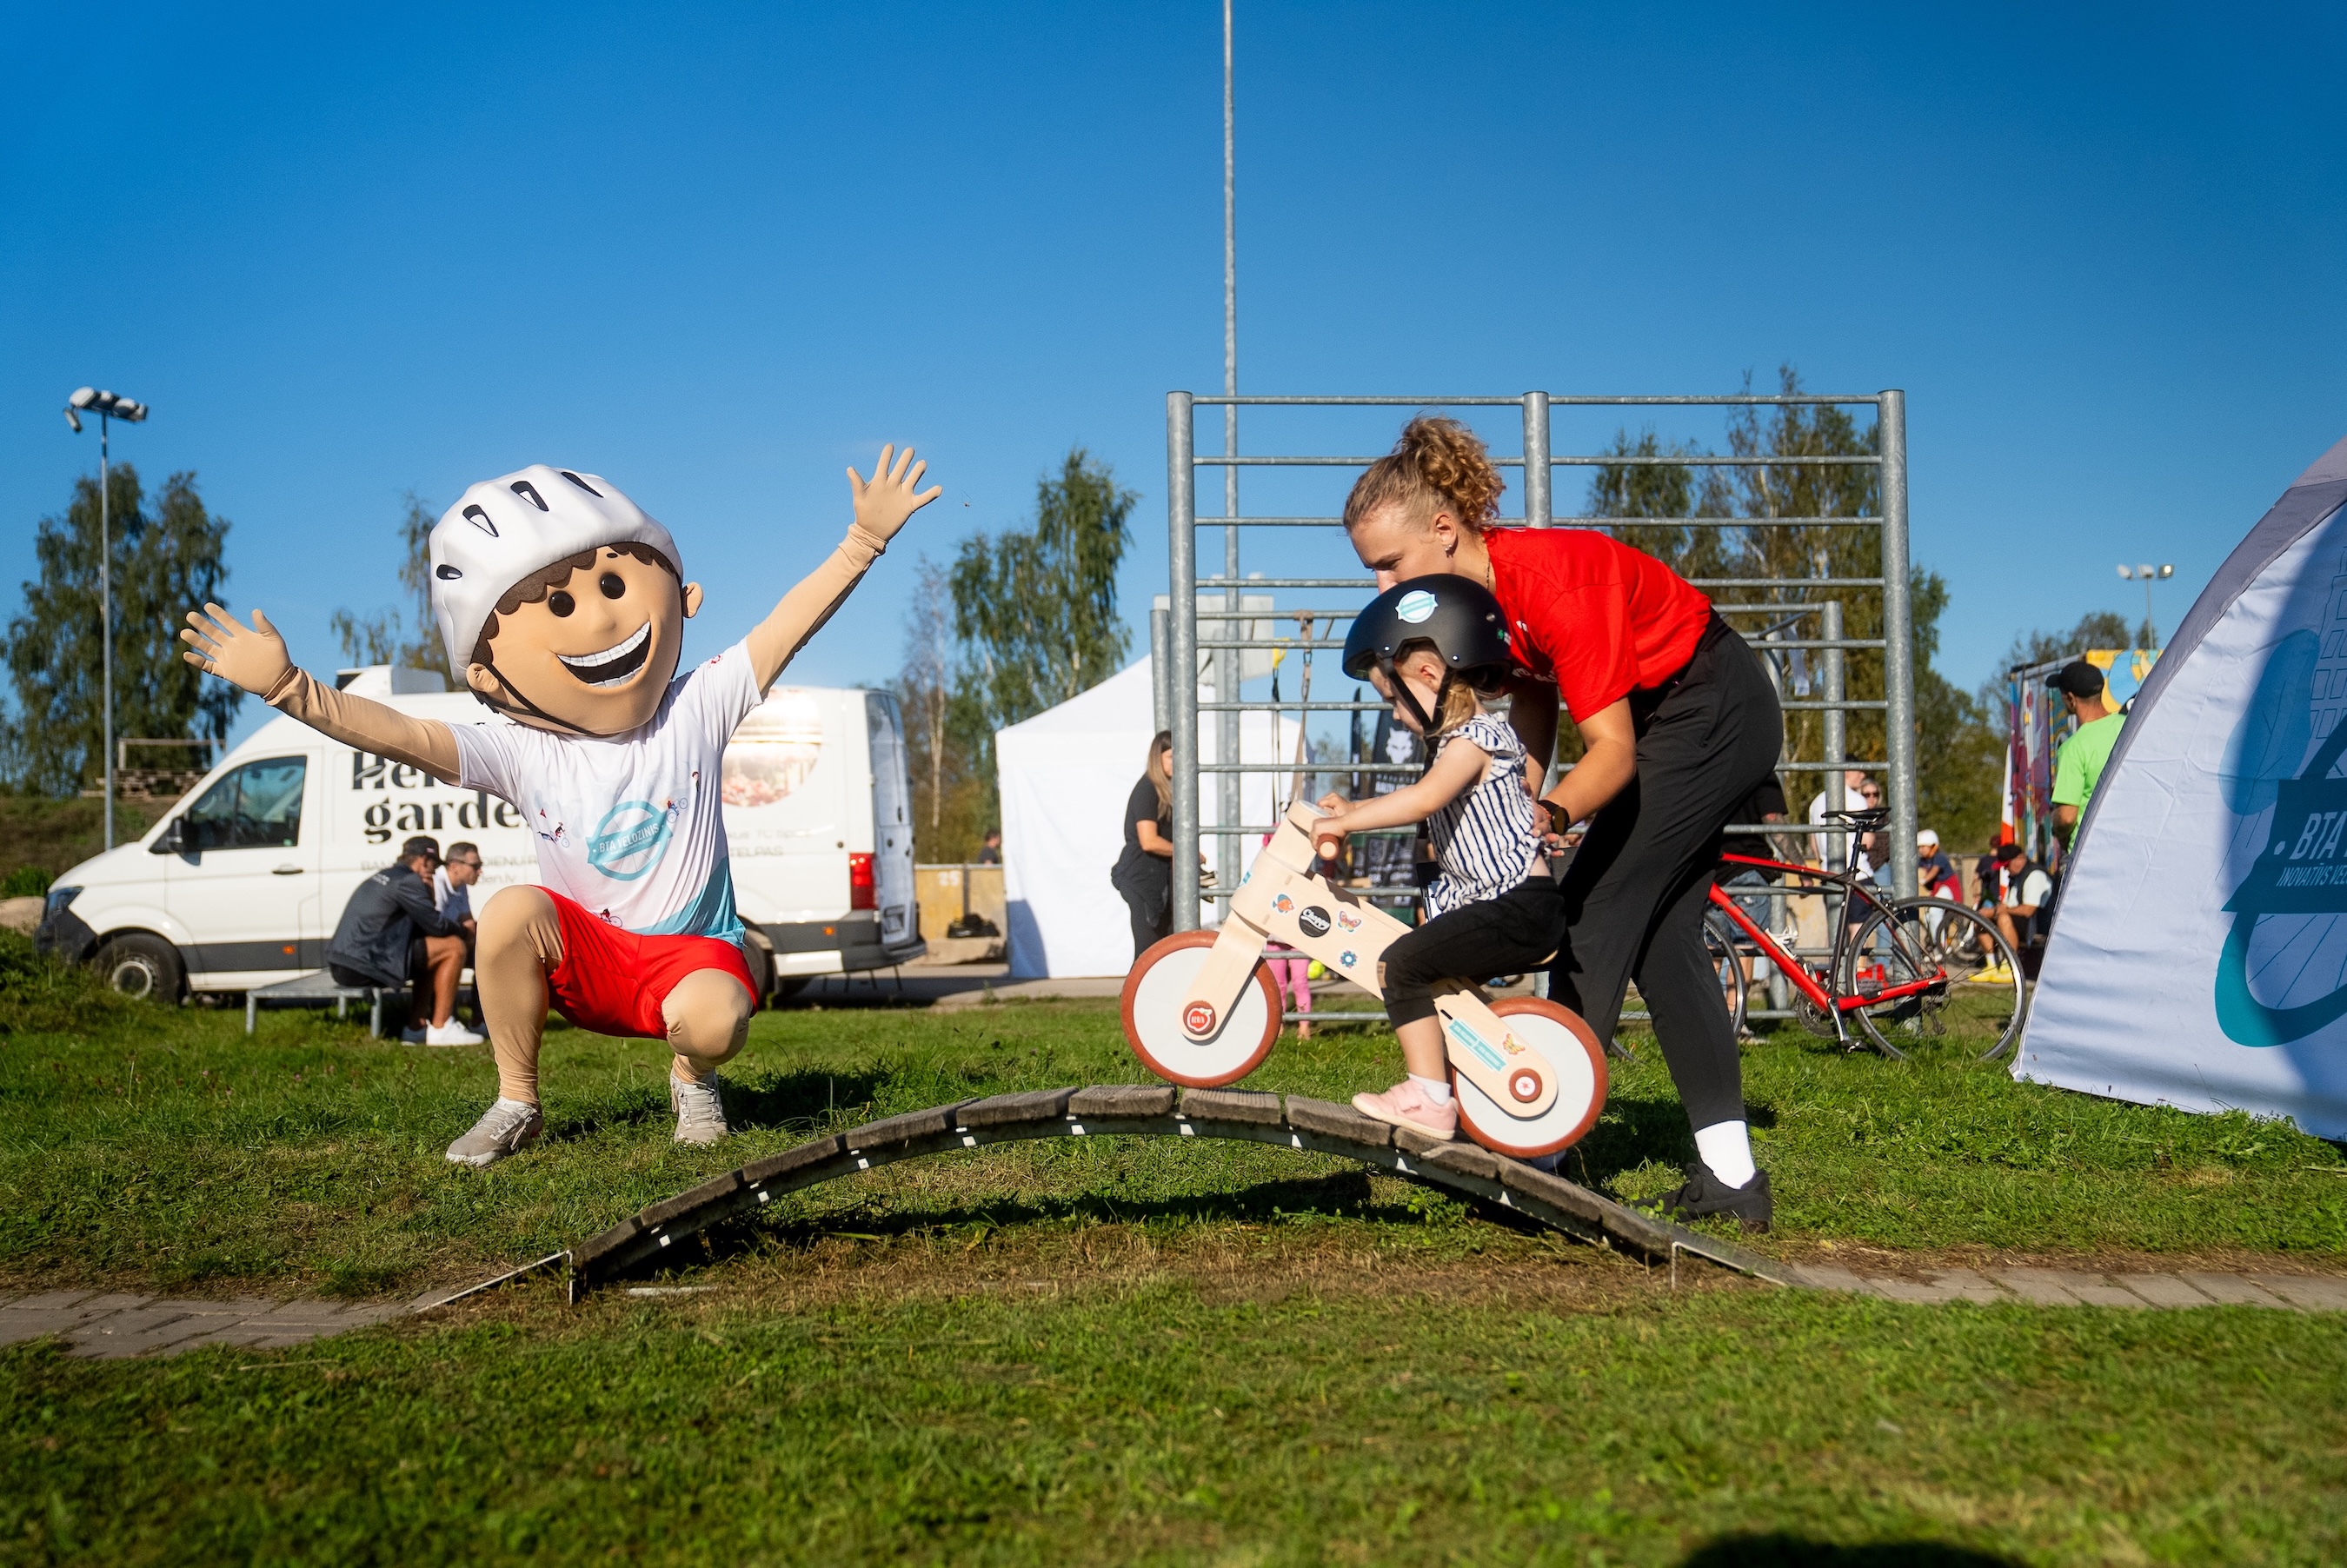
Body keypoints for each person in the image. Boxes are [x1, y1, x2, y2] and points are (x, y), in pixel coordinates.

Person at [183, 446, 941, 1166]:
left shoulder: (697, 706)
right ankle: (517, 1101)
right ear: (485, 677)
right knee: (511, 909)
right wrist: (293, 691)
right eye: (558, 604)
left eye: (615, 586)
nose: (600, 620)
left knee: (715, 1020)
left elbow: (786, 628)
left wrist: (861, 541)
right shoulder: (522, 751)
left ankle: (693, 1079)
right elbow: (405, 734)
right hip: (589, 957)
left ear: (685, 598)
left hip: (689, 953)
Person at [1340, 416, 1782, 1229]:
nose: (1383, 590)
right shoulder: (1488, 601)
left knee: (1596, 912)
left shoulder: (1552, 582)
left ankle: (1537, 1155)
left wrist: (1549, 812)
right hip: (1670, 718)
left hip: (1711, 706)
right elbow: (1537, 698)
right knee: (1661, 941)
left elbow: (1611, 750)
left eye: (1389, 566)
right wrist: (1521, 800)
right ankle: (1731, 1177)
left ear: (1444, 532)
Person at [1310, 576, 1560, 1139]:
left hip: (1519, 906)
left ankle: (1429, 1098)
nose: (1396, 717)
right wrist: (1349, 814)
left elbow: (1425, 799)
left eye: (1394, 701)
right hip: (1505, 905)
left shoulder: (1474, 738)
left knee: (1403, 965)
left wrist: (1347, 816)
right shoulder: (1457, 745)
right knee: (1443, 991)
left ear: (1428, 676)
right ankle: (1486, 1095)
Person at [327, 835, 481, 1046]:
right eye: (434, 865)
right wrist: (463, 930)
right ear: (424, 860)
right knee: (453, 947)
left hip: (344, 962)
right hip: (364, 964)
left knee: (433, 952)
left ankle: (416, 1027)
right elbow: (435, 924)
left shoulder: (387, 875)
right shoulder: (410, 881)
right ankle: (442, 1027)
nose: (435, 871)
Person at [1111, 731, 1176, 958]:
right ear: (1157, 757)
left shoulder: (1165, 791)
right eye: (1171, 756)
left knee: (1160, 954)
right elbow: (1149, 841)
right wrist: (1188, 855)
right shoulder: (1147, 790)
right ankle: (1132, 994)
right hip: (1142, 880)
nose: (1178, 763)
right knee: (1147, 955)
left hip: (1154, 881)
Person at [2048, 660, 2123, 847]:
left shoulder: (2073, 748)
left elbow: (2066, 818)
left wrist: (2055, 823)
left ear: (2071, 699)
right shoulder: (2131, 727)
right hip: (2132, 847)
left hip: (2090, 852)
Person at [1978, 840, 2052, 977]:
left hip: (2038, 925)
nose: (2005, 869)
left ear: (2020, 859)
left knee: (2003, 917)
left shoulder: (2035, 874)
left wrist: (1997, 911)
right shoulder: (2016, 877)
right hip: (2023, 923)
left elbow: (2028, 910)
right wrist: (1990, 912)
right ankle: (1992, 967)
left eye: (2006, 865)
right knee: (1981, 919)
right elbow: (2007, 904)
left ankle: (2009, 967)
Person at [1916, 829, 1962, 902]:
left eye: (1923, 847)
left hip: (1948, 887)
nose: (1921, 850)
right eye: (1919, 847)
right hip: (1937, 888)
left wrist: (1922, 881)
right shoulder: (1922, 860)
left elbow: (1934, 871)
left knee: (1935, 909)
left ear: (1934, 846)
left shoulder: (1939, 857)